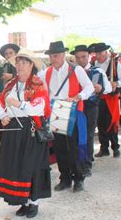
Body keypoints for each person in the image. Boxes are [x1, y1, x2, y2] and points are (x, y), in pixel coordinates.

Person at [0, 49, 51, 218]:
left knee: (31, 166)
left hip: (30, 130)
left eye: (24, 62)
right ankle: (23, 201)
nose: (20, 66)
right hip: (13, 131)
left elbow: (40, 108)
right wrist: (3, 115)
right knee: (17, 166)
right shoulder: (10, 85)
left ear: (31, 65)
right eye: (18, 62)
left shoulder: (37, 84)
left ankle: (34, 202)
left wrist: (19, 104)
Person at [39, 41, 94, 192]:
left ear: (63, 55)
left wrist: (79, 96)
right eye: (51, 56)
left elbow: (89, 87)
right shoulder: (46, 73)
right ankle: (65, 178)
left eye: (56, 55)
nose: (53, 58)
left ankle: (79, 178)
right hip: (56, 113)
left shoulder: (76, 70)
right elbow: (42, 91)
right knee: (60, 147)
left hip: (73, 112)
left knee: (74, 146)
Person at [72, 45, 112, 177]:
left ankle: (87, 164)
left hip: (90, 107)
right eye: (77, 57)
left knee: (88, 136)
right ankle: (77, 163)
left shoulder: (97, 71)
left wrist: (101, 88)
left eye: (83, 57)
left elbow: (108, 89)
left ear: (89, 56)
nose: (80, 60)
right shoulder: (72, 71)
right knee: (75, 136)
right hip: (74, 107)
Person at [92, 43, 121, 158]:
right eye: (96, 53)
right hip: (98, 98)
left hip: (111, 99)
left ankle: (115, 148)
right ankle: (104, 148)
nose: (98, 56)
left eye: (100, 53)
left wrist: (116, 83)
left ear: (106, 52)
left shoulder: (115, 64)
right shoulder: (94, 65)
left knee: (112, 123)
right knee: (100, 123)